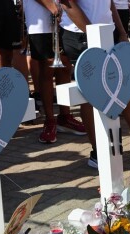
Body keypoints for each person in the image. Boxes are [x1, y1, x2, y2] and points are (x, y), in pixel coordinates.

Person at [59, 0, 130, 166]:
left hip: (108, 32)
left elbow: (109, 3)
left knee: (126, 87)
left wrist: (121, 31)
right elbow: (67, 4)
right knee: (89, 96)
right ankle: (98, 153)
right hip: (82, 35)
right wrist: (93, 34)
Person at [22, 0, 87, 144]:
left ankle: (65, 117)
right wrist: (51, 6)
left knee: (65, 66)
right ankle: (50, 120)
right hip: (40, 19)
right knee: (47, 68)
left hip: (65, 15)